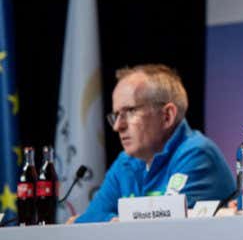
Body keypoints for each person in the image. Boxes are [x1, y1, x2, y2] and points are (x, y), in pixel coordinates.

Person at [75, 64, 234, 222]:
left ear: (167, 116)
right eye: (116, 115)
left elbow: (167, 228)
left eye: (130, 111)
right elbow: (88, 221)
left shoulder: (197, 154)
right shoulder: (124, 163)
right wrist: (116, 222)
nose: (118, 126)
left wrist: (115, 222)